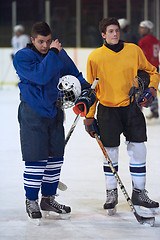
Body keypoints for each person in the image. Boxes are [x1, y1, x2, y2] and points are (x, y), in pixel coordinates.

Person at [13, 21, 96, 220]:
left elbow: (77, 77)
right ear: (32, 40)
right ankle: (31, 200)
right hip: (32, 112)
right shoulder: (23, 57)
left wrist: (86, 94)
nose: (45, 45)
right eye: (41, 42)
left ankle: (47, 199)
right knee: (36, 158)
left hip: (55, 111)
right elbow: (41, 76)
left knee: (55, 159)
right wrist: (53, 53)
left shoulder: (58, 53)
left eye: (49, 41)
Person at [83, 17, 159, 215]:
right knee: (110, 152)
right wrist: (89, 116)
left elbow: (153, 72)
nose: (115, 34)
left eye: (116, 30)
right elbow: (91, 90)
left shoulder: (133, 50)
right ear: (103, 34)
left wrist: (152, 89)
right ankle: (111, 193)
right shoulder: (95, 57)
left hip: (131, 108)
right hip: (107, 111)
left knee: (139, 148)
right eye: (110, 31)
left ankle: (139, 192)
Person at [138, 20, 160, 119]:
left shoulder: (143, 41)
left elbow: (140, 56)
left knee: (139, 89)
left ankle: (138, 111)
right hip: (155, 68)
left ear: (148, 29)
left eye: (143, 28)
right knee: (153, 88)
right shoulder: (156, 40)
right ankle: (154, 109)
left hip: (146, 69)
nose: (141, 30)